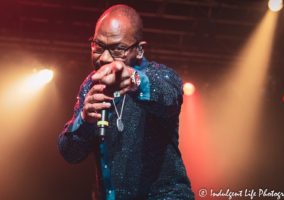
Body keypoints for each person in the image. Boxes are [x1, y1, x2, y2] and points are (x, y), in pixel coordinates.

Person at [58, 4, 195, 200]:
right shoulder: (91, 84)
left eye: (117, 49)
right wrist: (84, 119)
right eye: (98, 46)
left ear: (139, 50)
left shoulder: (161, 75)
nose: (105, 58)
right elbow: (71, 154)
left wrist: (132, 79)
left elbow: (169, 98)